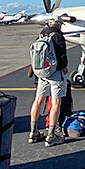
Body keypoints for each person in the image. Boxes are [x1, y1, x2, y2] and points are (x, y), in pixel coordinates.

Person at [29, 16, 69, 146]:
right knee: (57, 102)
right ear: (58, 25)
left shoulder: (42, 34)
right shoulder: (58, 36)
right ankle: (51, 135)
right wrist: (64, 67)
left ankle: (33, 132)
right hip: (55, 73)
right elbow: (62, 56)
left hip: (41, 73)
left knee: (38, 100)